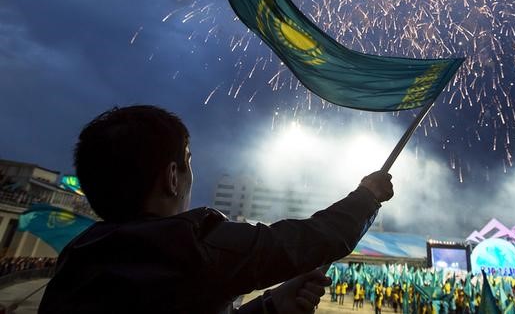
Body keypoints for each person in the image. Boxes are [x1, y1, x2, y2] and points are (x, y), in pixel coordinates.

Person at [39, 105, 394, 313]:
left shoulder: (77, 258)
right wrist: (368, 195)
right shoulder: (190, 246)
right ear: (172, 178)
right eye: (188, 162)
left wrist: (271, 305)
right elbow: (310, 240)